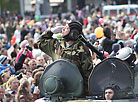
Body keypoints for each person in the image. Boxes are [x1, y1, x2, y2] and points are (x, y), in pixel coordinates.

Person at [37, 21, 93, 96]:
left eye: (66, 28)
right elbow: (40, 42)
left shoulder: (82, 49)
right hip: (57, 87)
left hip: (74, 90)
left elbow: (87, 73)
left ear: (73, 33)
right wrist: (51, 31)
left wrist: (86, 94)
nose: (63, 29)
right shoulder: (57, 44)